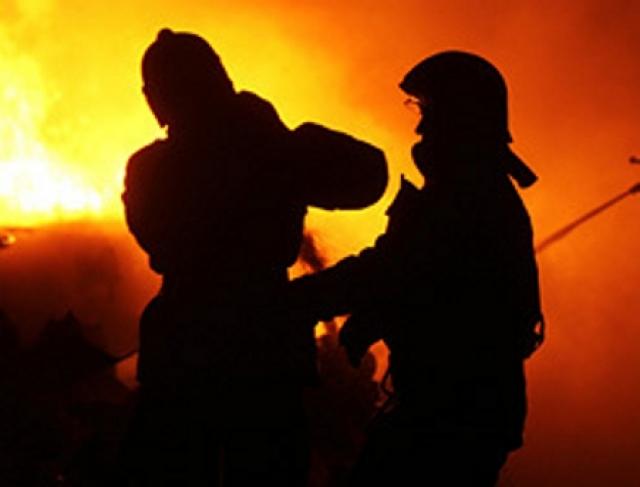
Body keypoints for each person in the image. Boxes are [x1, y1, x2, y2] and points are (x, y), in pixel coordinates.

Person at [120, 29, 387, 486]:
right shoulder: (264, 149)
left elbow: (368, 178)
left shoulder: (150, 168)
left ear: (157, 98)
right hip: (264, 345)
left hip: (185, 349)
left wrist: (275, 144)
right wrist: (278, 142)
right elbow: (367, 177)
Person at [292, 51, 544, 486]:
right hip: (458, 411)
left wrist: (292, 302)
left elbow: (390, 272)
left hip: (451, 417)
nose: (420, 128)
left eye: (429, 113)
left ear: (459, 119)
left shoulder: (466, 200)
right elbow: (422, 283)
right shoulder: (475, 193)